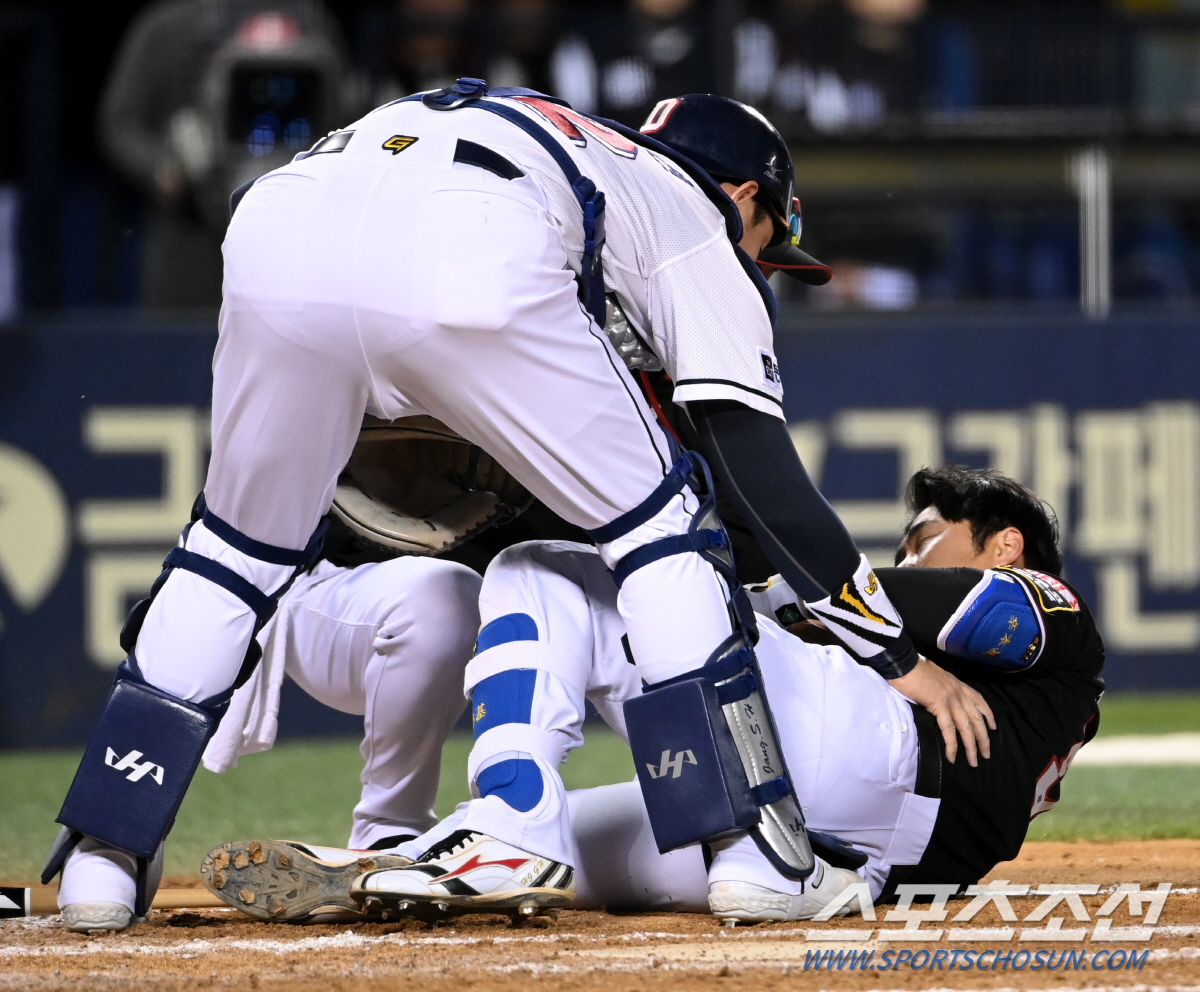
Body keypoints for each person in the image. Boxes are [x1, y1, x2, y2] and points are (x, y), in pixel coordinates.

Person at [46, 82, 931, 932]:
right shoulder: (694, 218)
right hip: (470, 230)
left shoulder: (595, 162)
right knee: (663, 533)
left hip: (283, 213)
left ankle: (103, 854)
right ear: (745, 197)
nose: (761, 263)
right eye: (767, 238)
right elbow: (759, 478)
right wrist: (893, 650)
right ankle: (751, 850)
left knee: (228, 554)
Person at [204, 466, 1103, 924]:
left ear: (1005, 547)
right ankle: (411, 861)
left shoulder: (1053, 612)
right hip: (850, 857)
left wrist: (765, 577)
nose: (908, 554)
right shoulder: (1036, 701)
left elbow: (867, 598)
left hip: (860, 744)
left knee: (544, 569)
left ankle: (507, 810)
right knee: (572, 856)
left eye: (927, 537)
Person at [54, 550, 481, 931]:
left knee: (524, 577)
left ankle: (508, 824)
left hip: (511, 585)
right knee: (221, 558)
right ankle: (112, 832)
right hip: (320, 580)